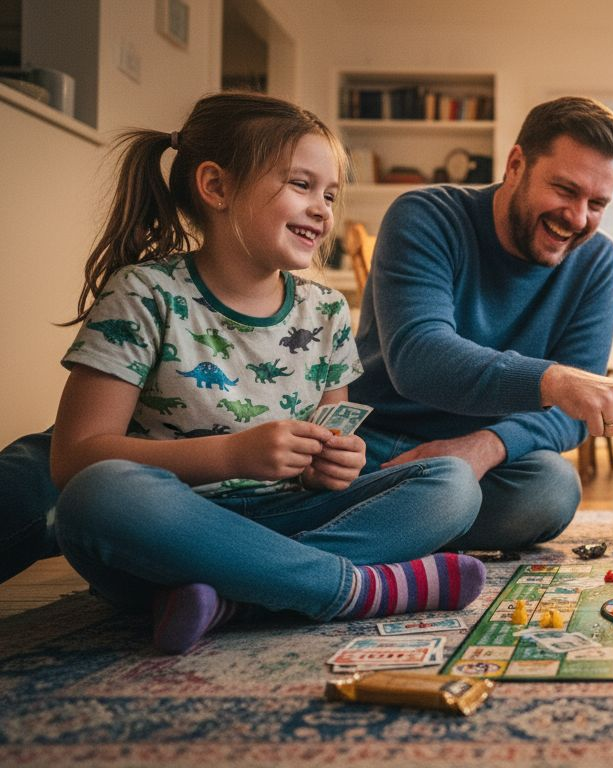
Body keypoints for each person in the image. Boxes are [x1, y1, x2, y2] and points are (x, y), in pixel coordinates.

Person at [48, 92, 486, 654]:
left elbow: (329, 440)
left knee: (450, 483)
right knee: (98, 496)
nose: (324, 209)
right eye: (302, 185)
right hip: (178, 527)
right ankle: (351, 587)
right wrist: (230, 456)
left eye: (329, 194)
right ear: (217, 187)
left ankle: (241, 594)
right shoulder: (144, 294)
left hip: (288, 518)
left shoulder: (325, 309)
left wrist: (331, 466)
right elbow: (73, 458)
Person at [349, 96, 613, 552]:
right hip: (382, 443)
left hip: (490, 458)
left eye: (597, 203)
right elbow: (418, 357)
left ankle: (386, 522)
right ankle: (409, 522)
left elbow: (573, 415)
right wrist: (556, 380)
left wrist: (485, 446)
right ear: (516, 164)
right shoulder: (426, 216)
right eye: (565, 190)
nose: (579, 218)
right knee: (335, 467)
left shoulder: (599, 261)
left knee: (552, 489)